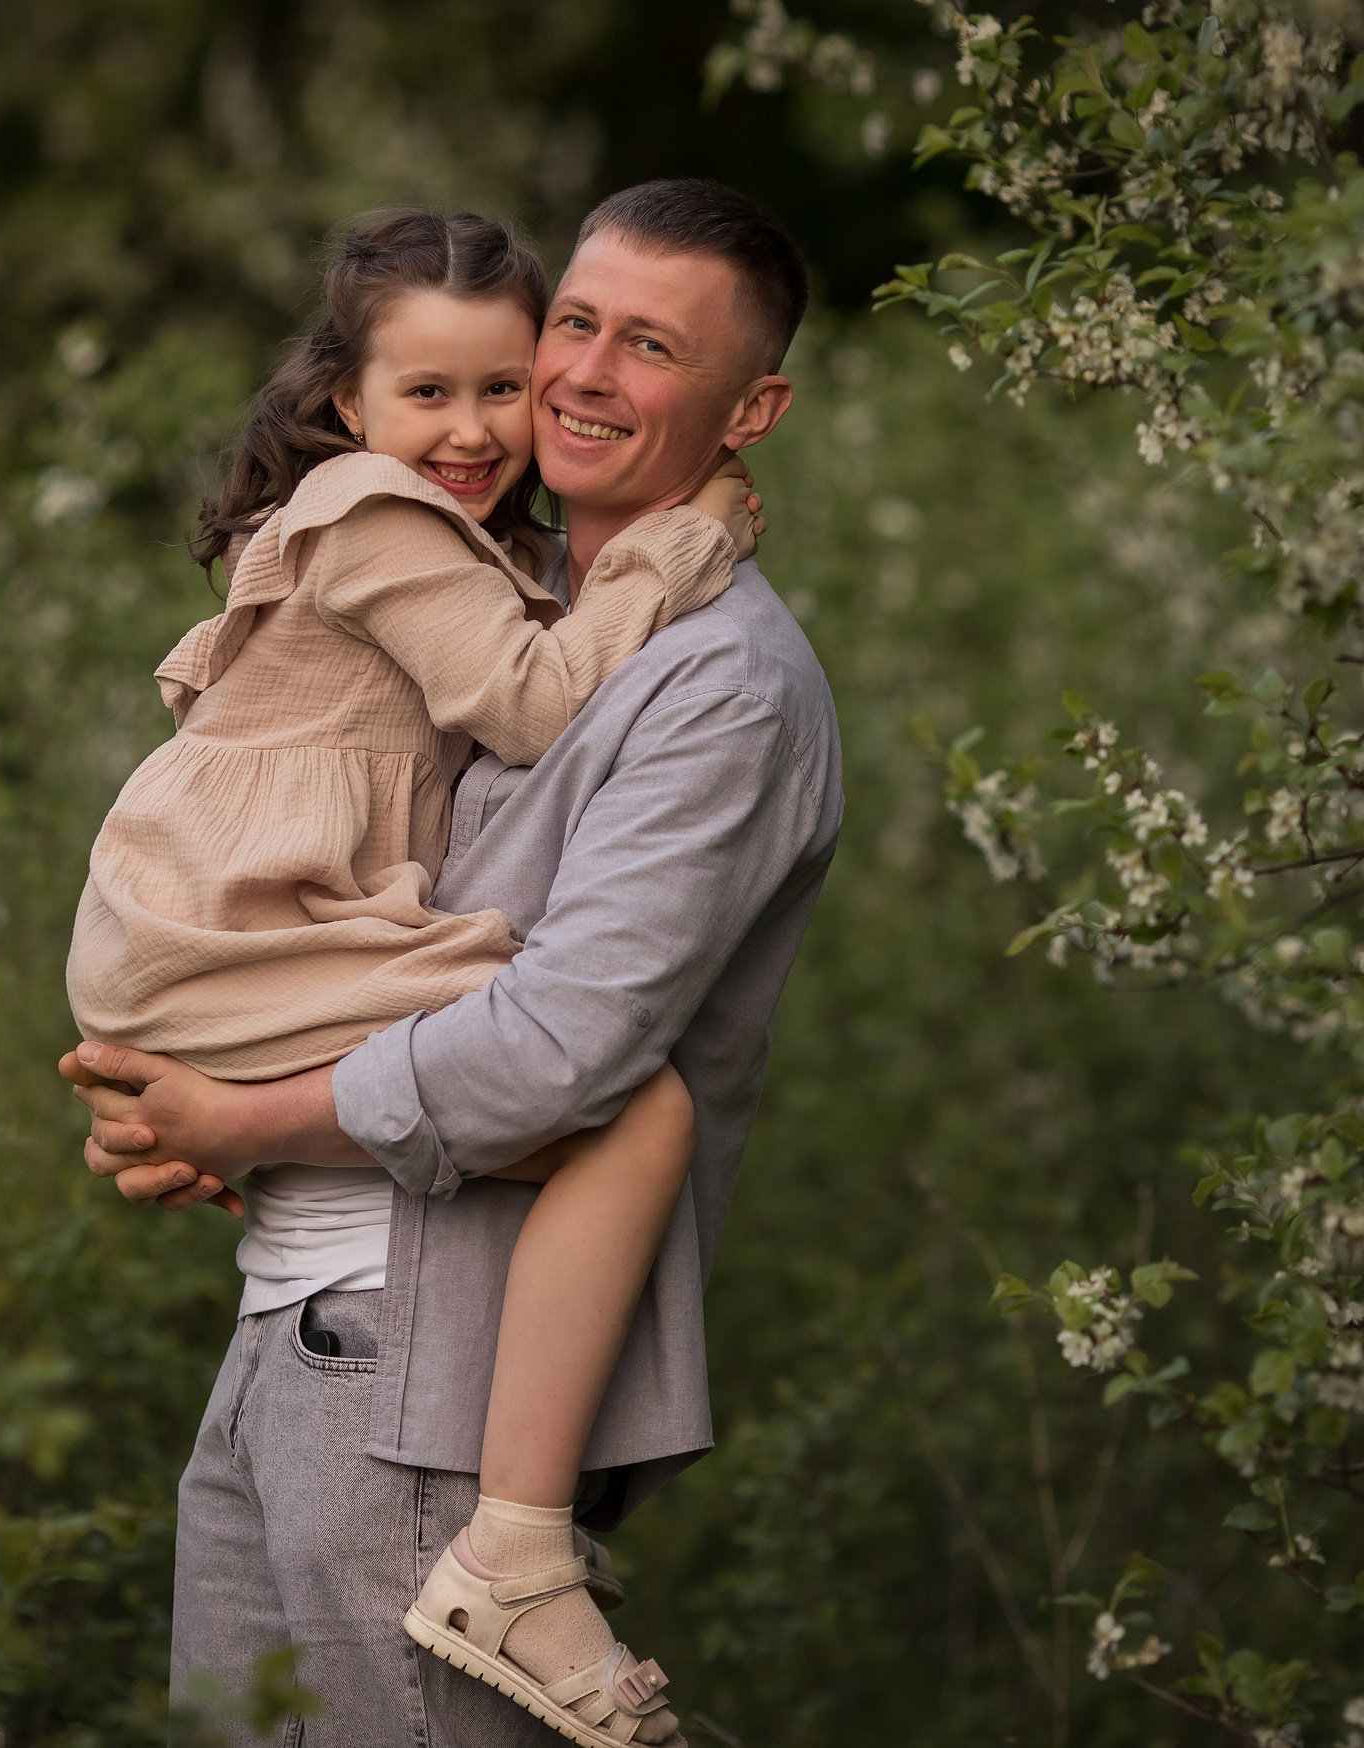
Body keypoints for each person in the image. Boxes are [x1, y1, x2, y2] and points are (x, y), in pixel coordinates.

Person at [63, 179, 842, 1748]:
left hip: (431, 1373)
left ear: (750, 406)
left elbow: (559, 1053)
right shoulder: (489, 584)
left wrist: (244, 1115)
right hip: (295, 1327)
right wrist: (181, 1098)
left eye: (653, 349)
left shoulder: (715, 684)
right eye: (576, 326)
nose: (579, 377)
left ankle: (522, 1555)